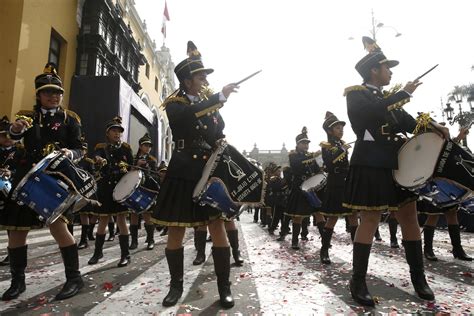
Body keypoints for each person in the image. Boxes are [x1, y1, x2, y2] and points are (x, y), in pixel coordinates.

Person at [342, 37, 449, 306]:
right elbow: (369, 115)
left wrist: (434, 126)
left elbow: (409, 122)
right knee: (370, 219)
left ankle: (418, 278)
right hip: (371, 163)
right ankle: (358, 281)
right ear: (374, 71)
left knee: (410, 218)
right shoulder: (356, 93)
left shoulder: (388, 100)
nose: (391, 72)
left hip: (396, 163)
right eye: (387, 68)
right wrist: (404, 94)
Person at [151, 41, 239, 309]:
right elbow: (186, 118)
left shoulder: (208, 105)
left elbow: (218, 131)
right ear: (187, 80)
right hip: (183, 170)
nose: (204, 81)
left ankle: (224, 287)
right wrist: (218, 98)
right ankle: (175, 286)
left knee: (217, 227)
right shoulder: (175, 103)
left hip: (206, 172)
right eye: (200, 77)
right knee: (176, 230)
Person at [0, 63, 85, 300]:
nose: (53, 96)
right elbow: (16, 134)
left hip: (53, 179)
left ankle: (74, 278)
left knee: (59, 227)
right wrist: (15, 130)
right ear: (38, 95)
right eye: (48, 92)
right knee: (16, 231)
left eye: (57, 92)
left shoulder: (70, 119)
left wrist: (70, 153)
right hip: (26, 177)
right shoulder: (26, 116)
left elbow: (81, 148)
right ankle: (18, 282)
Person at [88, 117, 133, 267]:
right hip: (106, 187)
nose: (117, 133)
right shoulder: (101, 147)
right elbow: (96, 158)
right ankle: (98, 252)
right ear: (107, 133)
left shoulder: (126, 148)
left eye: (119, 131)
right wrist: (99, 160)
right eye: (114, 130)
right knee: (103, 220)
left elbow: (131, 167)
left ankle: (125, 254)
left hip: (121, 186)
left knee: (121, 219)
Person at [319, 112, 358, 264]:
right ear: (330, 131)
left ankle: (358, 250)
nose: (341, 129)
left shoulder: (341, 144)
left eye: (341, 127)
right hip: (335, 182)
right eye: (337, 127)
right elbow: (329, 164)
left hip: (346, 181)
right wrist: (342, 150)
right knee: (333, 217)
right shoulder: (326, 146)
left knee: (353, 215)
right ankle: (324, 250)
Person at [283, 127, 324, 250]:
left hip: (311, 188)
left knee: (319, 213)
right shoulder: (293, 155)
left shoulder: (309, 156)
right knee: (298, 215)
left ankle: (325, 240)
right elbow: (297, 166)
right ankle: (295, 241)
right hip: (299, 187)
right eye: (303, 143)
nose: (306, 145)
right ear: (298, 144)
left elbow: (318, 170)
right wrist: (312, 156)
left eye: (307, 143)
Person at [129, 133, 159, 251]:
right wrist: (136, 165)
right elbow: (128, 174)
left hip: (146, 189)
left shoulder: (152, 160)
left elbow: (155, 176)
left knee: (147, 215)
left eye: (149, 146)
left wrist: (147, 168)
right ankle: (134, 241)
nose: (148, 148)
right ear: (140, 146)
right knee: (134, 215)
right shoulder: (133, 158)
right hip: (134, 190)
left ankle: (150, 240)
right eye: (145, 145)